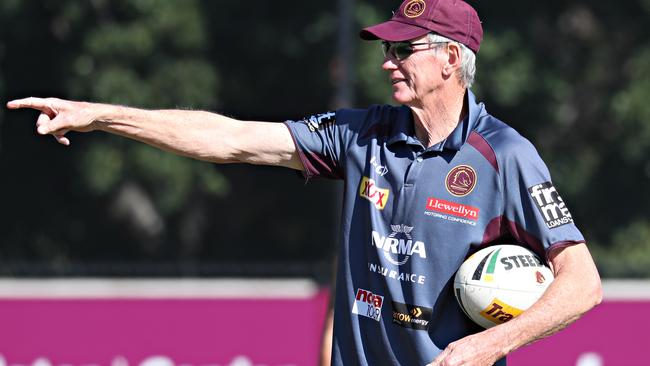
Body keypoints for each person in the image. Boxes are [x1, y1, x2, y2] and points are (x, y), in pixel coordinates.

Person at [7, 0, 602, 364]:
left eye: (404, 49)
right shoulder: (362, 134)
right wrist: (103, 114)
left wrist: (491, 344)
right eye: (386, 48)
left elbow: (582, 283)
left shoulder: (504, 154)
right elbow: (232, 138)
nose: (387, 60)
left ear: (452, 58)